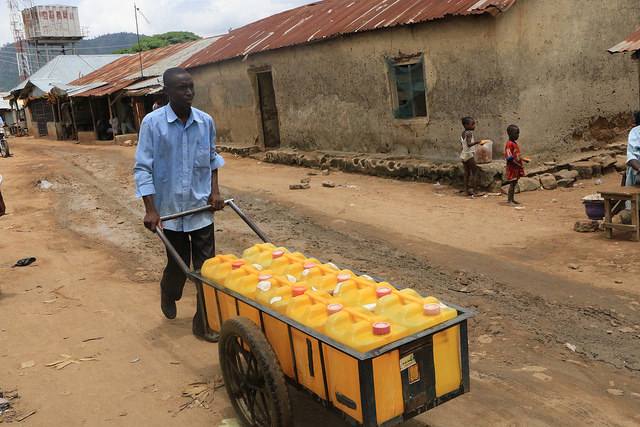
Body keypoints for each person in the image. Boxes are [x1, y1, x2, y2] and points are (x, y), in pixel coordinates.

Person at [134, 67, 225, 342]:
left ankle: (203, 323)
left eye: (191, 87)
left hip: (200, 209)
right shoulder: (152, 123)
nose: (188, 93)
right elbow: (142, 168)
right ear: (167, 92)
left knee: (207, 267)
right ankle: (169, 291)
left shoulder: (205, 121)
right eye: (181, 88)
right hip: (171, 209)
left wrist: (215, 193)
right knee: (178, 265)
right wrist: (150, 209)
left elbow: (212, 159)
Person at [504, 124, 529, 206]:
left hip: (516, 166)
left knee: (514, 183)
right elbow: (509, 158)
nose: (518, 135)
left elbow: (516, 155)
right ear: (510, 134)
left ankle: (512, 199)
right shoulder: (509, 144)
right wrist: (518, 165)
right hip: (512, 167)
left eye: (518, 133)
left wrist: (523, 160)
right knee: (512, 183)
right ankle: (509, 200)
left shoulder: (514, 143)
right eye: (516, 133)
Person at [459, 117, 484, 196]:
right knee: (475, 172)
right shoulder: (469, 133)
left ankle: (466, 191)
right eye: (472, 124)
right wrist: (477, 142)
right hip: (469, 155)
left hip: (463, 154)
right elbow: (469, 144)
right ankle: (475, 191)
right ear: (466, 125)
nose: (474, 126)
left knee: (467, 173)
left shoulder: (463, 133)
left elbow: (463, 144)